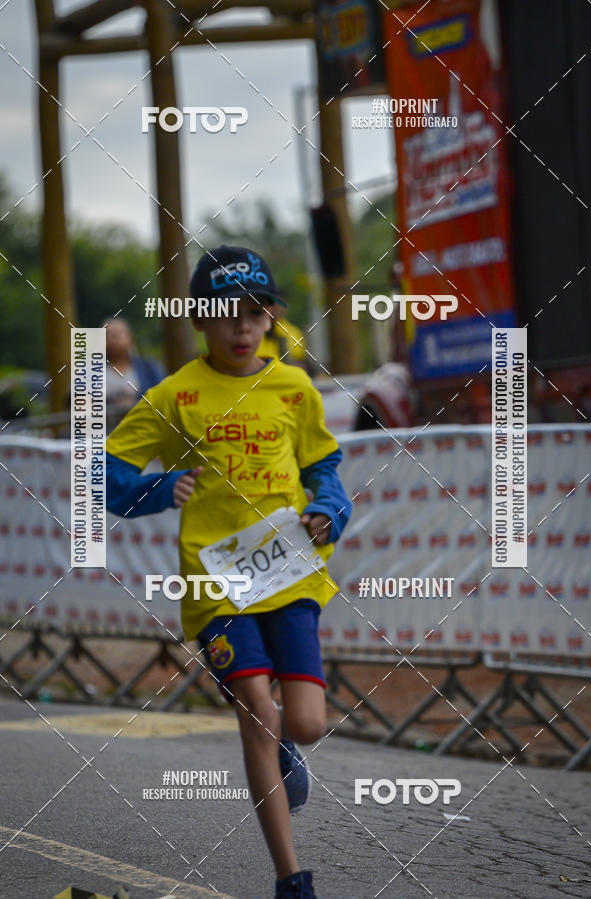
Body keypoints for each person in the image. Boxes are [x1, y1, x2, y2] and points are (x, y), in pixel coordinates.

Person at [105, 245, 352, 899]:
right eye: (225, 315)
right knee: (257, 714)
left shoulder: (294, 388)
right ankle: (290, 877)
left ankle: (288, 749)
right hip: (216, 582)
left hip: (289, 574)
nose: (241, 327)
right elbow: (105, 473)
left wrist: (329, 509)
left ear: (271, 317)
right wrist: (160, 491)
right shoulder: (175, 394)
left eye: (254, 313)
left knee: (303, 722)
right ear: (199, 321)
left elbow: (325, 470)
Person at [103, 317, 164, 422]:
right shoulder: (89, 371)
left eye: (116, 335)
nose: (112, 339)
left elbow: (163, 399)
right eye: (107, 335)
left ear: (129, 338)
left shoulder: (149, 368)